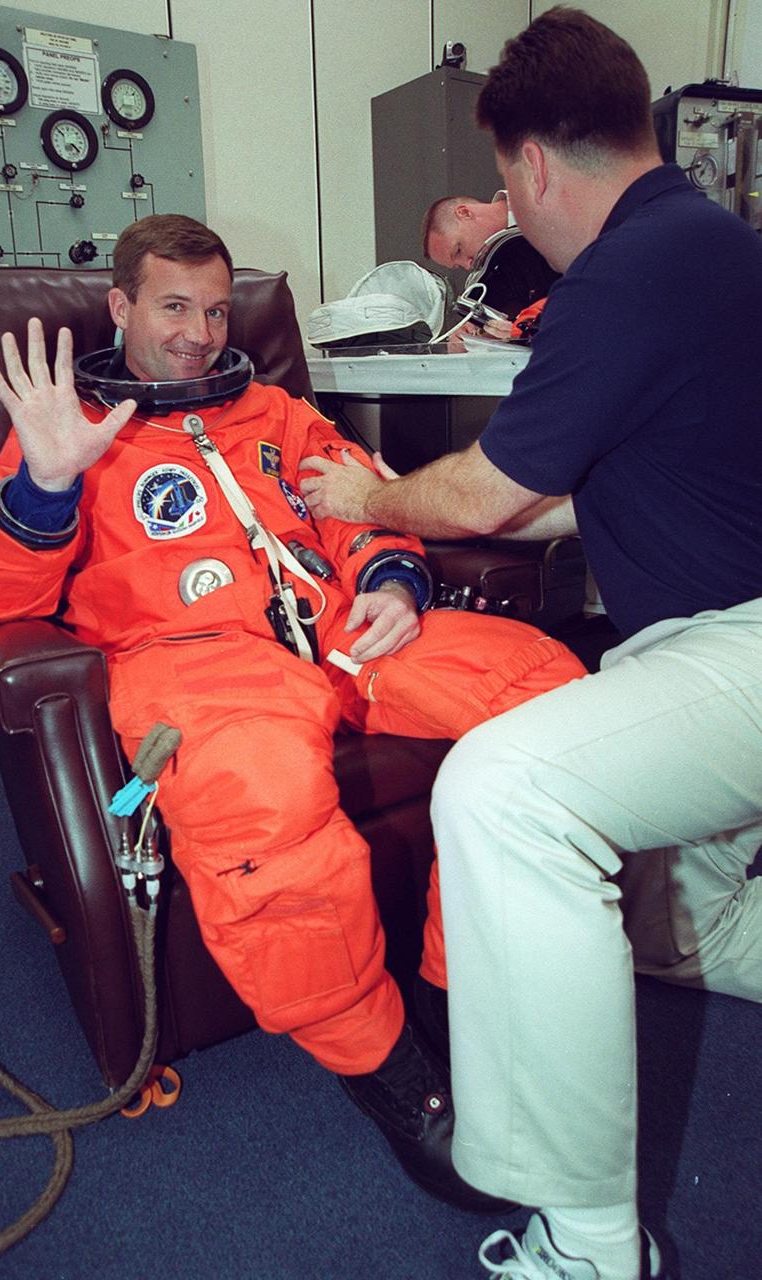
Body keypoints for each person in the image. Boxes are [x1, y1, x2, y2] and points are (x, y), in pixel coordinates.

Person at [0, 213, 586, 1215]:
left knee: (548, 690)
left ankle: (456, 989)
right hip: (197, 667)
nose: (199, 333)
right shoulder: (66, 432)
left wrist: (393, 578)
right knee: (264, 805)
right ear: (120, 307)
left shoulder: (276, 411)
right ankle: (393, 1076)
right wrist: (47, 481)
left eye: (216, 310)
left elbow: (360, 501)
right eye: (173, 307)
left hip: (340, 631)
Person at [300, 9, 762, 1279]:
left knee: (503, 792)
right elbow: (586, 490)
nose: (512, 215)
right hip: (715, 638)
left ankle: (591, 1242)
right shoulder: (713, 247)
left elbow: (488, 493)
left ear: (535, 167)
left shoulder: (625, 268)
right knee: (676, 931)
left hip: (739, 650)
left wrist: (369, 496)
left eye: (505, 190)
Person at [421, 191, 560, 319]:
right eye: (459, 266)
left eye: (458, 250)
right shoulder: (496, 278)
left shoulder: (543, 196)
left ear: (465, 213)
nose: (468, 265)